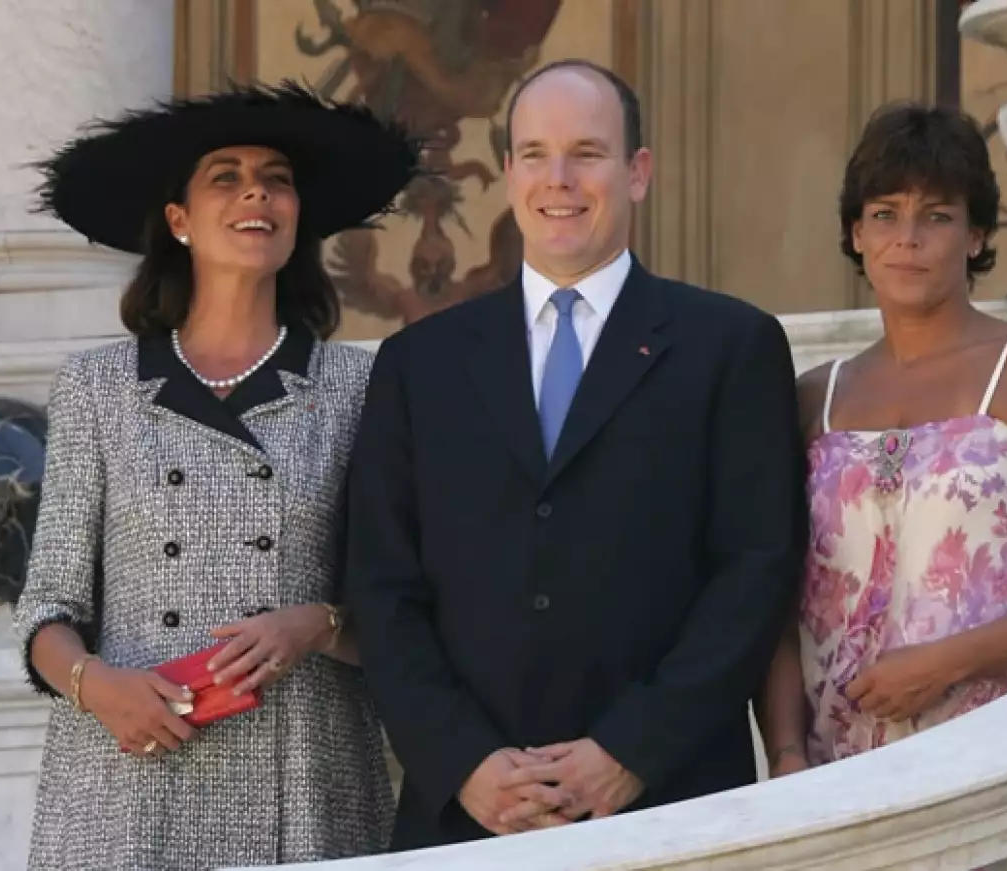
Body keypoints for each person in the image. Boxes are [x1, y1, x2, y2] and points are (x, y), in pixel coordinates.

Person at [342, 58, 808, 850]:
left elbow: (755, 570)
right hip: (465, 820)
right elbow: (381, 585)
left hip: (671, 807)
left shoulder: (731, 346)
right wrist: (464, 761)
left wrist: (631, 751)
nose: (557, 179)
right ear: (509, 171)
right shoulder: (418, 363)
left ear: (638, 172)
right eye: (535, 154)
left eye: (587, 153)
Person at [12, 82, 421, 870]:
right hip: (127, 774)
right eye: (225, 177)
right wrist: (98, 686)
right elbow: (48, 608)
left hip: (303, 770)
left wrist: (316, 624)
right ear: (180, 220)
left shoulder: (358, 386)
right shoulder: (98, 385)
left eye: (277, 179)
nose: (256, 193)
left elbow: (399, 601)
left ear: (296, 216)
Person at [758, 102, 1007, 774]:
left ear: (976, 236)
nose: (907, 238)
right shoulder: (812, 398)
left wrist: (946, 662)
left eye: (937, 215)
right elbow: (772, 599)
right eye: (885, 214)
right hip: (830, 781)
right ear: (857, 233)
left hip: (982, 759)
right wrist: (786, 754)